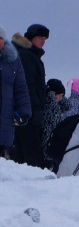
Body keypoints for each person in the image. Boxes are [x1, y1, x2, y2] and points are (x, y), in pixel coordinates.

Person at [11, 24, 49, 167]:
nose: (43, 41)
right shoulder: (26, 55)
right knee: (31, 151)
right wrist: (33, 109)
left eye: (45, 38)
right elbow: (26, 84)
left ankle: (22, 182)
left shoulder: (29, 54)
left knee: (21, 151)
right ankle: (36, 181)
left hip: (23, 110)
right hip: (28, 111)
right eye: (40, 37)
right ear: (31, 37)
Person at [0, 26, 32, 160]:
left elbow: (20, 88)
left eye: (0, 38)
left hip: (5, 117)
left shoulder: (13, 60)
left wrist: (24, 111)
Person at [41, 79, 69, 169]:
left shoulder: (55, 107)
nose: (61, 98)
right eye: (59, 96)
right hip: (47, 151)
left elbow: (67, 106)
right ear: (53, 95)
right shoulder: (51, 108)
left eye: (63, 96)